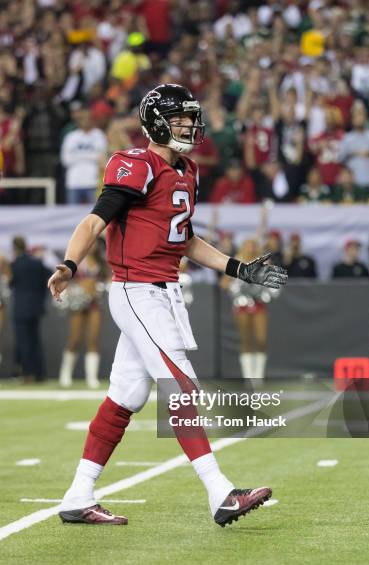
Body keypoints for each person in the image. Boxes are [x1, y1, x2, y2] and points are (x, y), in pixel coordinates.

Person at [48, 84, 287, 527]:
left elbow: (185, 239)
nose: (190, 126)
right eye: (181, 119)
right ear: (158, 121)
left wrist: (238, 268)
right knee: (182, 386)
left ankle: (78, 494)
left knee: (127, 395)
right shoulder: (136, 165)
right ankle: (220, 492)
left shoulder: (188, 170)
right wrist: (69, 264)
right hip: (137, 289)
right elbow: (94, 219)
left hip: (163, 292)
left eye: (190, 118)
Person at [59, 239, 109, 389]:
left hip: (95, 302)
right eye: (91, 242)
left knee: (93, 338)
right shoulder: (76, 259)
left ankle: (92, 378)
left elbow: (108, 279)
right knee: (75, 338)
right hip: (78, 302)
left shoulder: (102, 260)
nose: (93, 245)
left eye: (95, 243)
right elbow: (66, 279)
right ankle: (65, 374)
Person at [229, 238, 273, 381]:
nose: (251, 248)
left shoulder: (264, 263)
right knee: (246, 340)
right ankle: (249, 378)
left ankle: (258, 377)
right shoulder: (237, 261)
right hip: (241, 305)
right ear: (243, 247)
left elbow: (273, 285)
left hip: (259, 304)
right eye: (247, 245)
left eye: (253, 245)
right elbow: (224, 283)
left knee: (261, 339)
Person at [10, 236, 50, 382]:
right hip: (35, 308)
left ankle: (27, 374)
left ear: (14, 247)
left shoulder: (14, 264)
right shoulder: (36, 262)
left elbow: (10, 282)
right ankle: (39, 374)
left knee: (24, 342)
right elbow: (51, 276)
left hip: (20, 309)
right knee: (35, 341)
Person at [60, 107, 107, 205]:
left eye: (88, 118)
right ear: (78, 120)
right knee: (71, 215)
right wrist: (91, 156)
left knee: (94, 214)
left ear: (92, 119)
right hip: (74, 181)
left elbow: (102, 158)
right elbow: (65, 160)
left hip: (93, 182)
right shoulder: (71, 137)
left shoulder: (99, 135)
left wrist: (78, 156)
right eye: (82, 119)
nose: (85, 121)